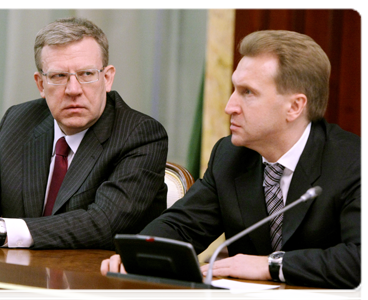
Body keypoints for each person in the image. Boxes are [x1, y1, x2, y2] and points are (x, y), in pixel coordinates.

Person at [101, 30, 364, 290]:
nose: (230, 106)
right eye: (234, 89)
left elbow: (362, 260)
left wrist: (271, 265)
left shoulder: (354, 162)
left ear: (294, 106)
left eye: (247, 92)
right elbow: (182, 226)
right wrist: (136, 254)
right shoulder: (230, 155)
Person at [0, 17, 168, 250]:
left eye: (86, 74)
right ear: (41, 84)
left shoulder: (140, 135)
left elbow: (103, 223)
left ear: (107, 78)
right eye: (58, 76)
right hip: (19, 274)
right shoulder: (19, 122)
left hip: (97, 279)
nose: (73, 90)